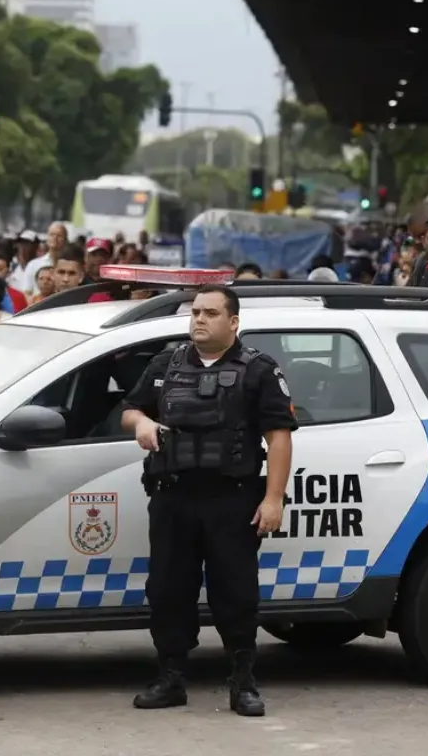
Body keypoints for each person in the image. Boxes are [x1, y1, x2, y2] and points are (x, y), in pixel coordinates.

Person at [120, 284, 296, 718]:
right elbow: (129, 409)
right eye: (196, 312)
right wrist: (141, 422)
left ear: (233, 322)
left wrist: (273, 499)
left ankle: (243, 683)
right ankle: (171, 678)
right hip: (173, 497)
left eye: (211, 313)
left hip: (231, 500)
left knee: (235, 593)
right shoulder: (165, 364)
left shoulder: (258, 369)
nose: (199, 319)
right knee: (168, 591)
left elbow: (278, 437)